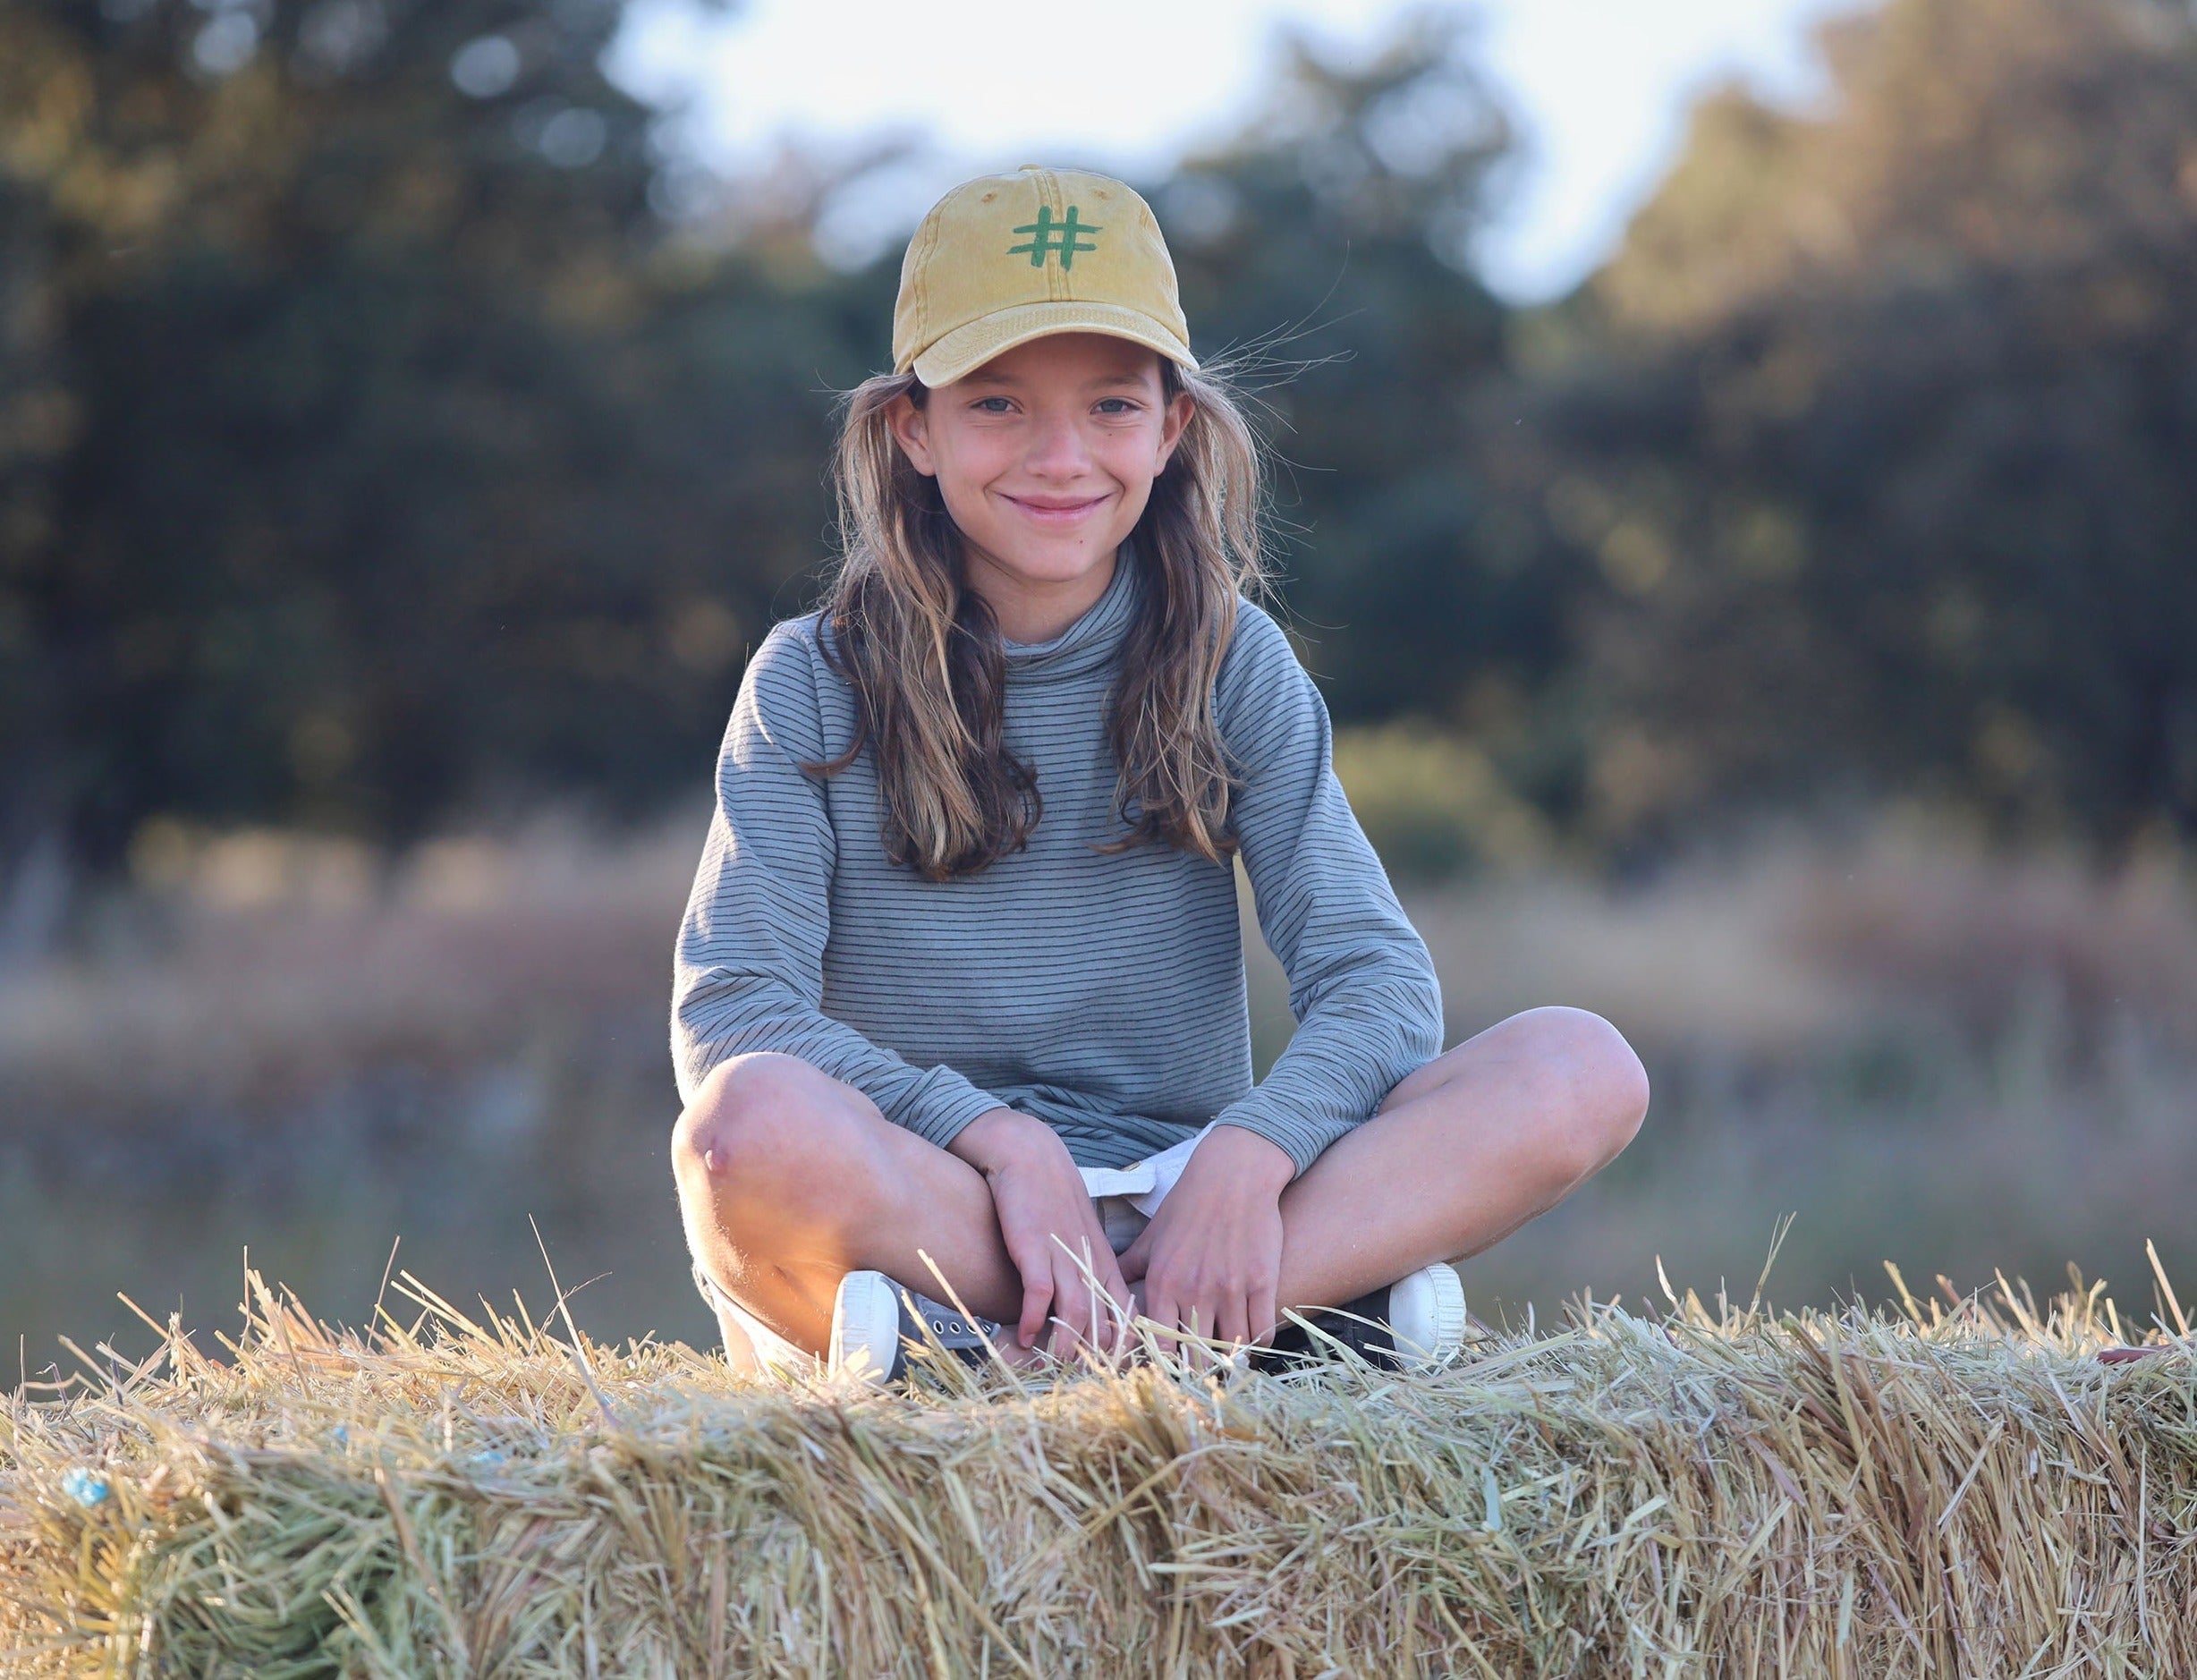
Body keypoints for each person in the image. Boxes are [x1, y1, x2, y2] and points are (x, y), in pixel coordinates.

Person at [668, 164, 1648, 1382]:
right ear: (910, 428)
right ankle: (1264, 1331)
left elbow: (1378, 981)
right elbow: (735, 1013)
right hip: (939, 1201)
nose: (1062, 455)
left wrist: (1253, 1152)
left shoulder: (1233, 658)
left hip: (1195, 1198)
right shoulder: (808, 676)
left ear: (1174, 425)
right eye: (998, 404)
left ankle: (1045, 1340)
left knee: (1582, 1067)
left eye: (1114, 407)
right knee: (742, 1130)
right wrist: (1001, 1142)